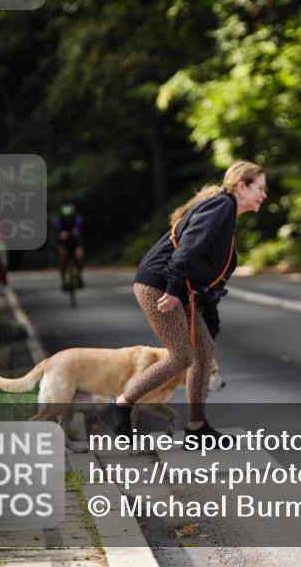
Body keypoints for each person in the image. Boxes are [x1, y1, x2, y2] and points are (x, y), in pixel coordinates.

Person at [101, 161, 267, 445]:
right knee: (182, 356)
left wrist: (207, 321)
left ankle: (197, 427)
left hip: (177, 289)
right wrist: (174, 287)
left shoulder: (225, 213)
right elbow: (191, 245)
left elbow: (209, 280)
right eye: (260, 188)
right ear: (242, 187)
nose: (264, 195)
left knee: (203, 351)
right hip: (159, 285)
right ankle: (119, 406)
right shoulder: (222, 207)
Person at [53, 203, 85, 290]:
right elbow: (57, 231)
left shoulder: (78, 219)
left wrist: (76, 232)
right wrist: (61, 235)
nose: (68, 218)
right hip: (64, 243)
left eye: (70, 216)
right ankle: (63, 280)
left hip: (76, 242)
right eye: (66, 216)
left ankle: (79, 276)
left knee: (79, 256)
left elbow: (79, 228)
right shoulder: (58, 220)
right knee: (63, 258)